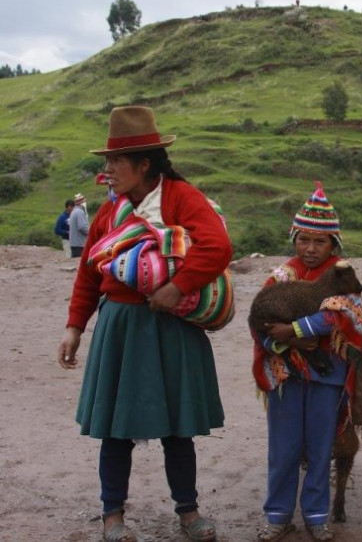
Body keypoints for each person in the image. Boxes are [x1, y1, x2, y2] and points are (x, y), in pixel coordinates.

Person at [57, 106, 233, 542]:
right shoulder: (110, 210)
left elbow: (217, 246)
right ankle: (112, 514)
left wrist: (179, 285)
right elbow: (89, 272)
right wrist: (75, 326)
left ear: (144, 164)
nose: (108, 171)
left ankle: (188, 511)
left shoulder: (179, 198)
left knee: (178, 426)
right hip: (121, 328)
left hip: (170, 326)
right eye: (106, 162)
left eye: (116, 162)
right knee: (116, 427)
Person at [252, 182, 362, 542]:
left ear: (334, 244)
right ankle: (278, 514)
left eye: (320, 241)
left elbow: (348, 315)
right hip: (286, 373)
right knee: (283, 448)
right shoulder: (282, 275)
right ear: (294, 239)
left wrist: (297, 328)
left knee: (320, 447)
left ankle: (317, 516)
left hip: (328, 376)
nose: (311, 248)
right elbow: (260, 319)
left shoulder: (342, 274)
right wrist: (283, 339)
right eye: (304, 240)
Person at [68, 193, 89, 258]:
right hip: (80, 244)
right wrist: (91, 233)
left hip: (74, 243)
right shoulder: (80, 212)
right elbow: (82, 227)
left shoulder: (74, 211)